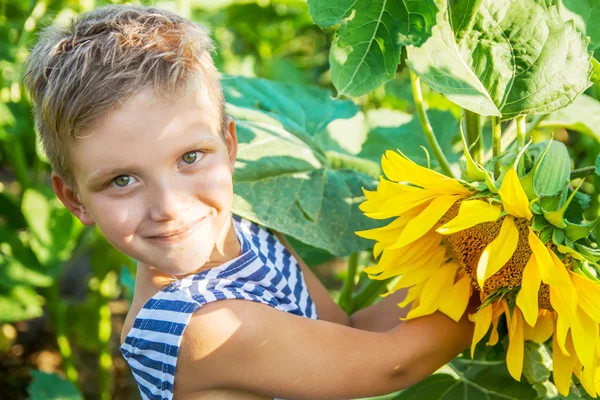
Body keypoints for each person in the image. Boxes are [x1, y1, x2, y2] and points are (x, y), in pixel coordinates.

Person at [23, 5, 476, 399]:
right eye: (122, 180)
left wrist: (459, 266)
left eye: (190, 157)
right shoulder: (201, 328)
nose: (170, 205)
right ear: (73, 198)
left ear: (230, 145)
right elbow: (392, 364)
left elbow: (347, 333)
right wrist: (501, 277)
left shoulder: (251, 233)